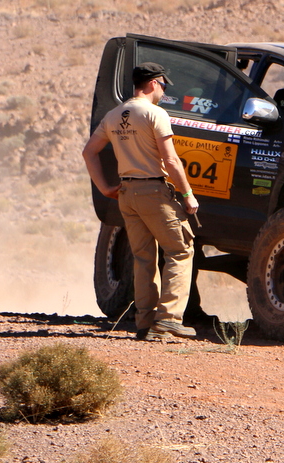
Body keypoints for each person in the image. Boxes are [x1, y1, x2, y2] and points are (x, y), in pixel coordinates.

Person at [82, 63, 201, 342]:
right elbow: (171, 160)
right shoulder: (155, 113)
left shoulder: (113, 115)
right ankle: (169, 320)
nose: (164, 92)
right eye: (163, 86)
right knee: (180, 250)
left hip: (127, 194)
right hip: (153, 192)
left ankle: (145, 322)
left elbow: (89, 152)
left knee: (144, 257)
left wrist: (105, 188)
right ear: (153, 83)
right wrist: (187, 194)